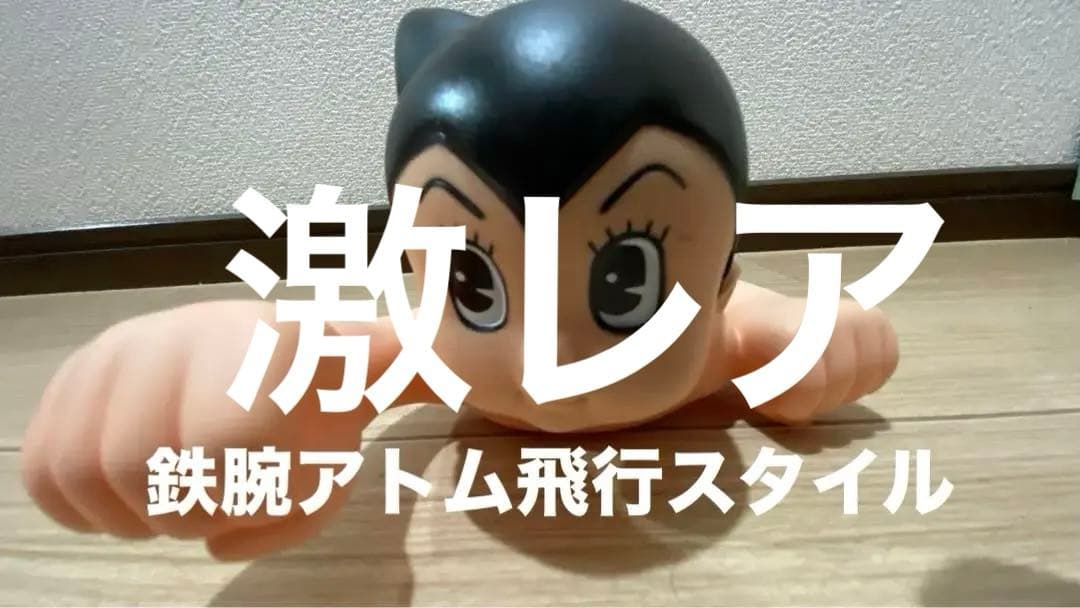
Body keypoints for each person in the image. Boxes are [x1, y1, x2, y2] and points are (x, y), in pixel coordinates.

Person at [21, 0, 898, 560]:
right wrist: (248, 368)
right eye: (475, 286)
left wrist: (811, 333)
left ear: (719, 280)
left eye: (625, 284)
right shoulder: (436, 351)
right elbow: (321, 359)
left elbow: (797, 330)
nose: (549, 363)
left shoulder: (725, 336)